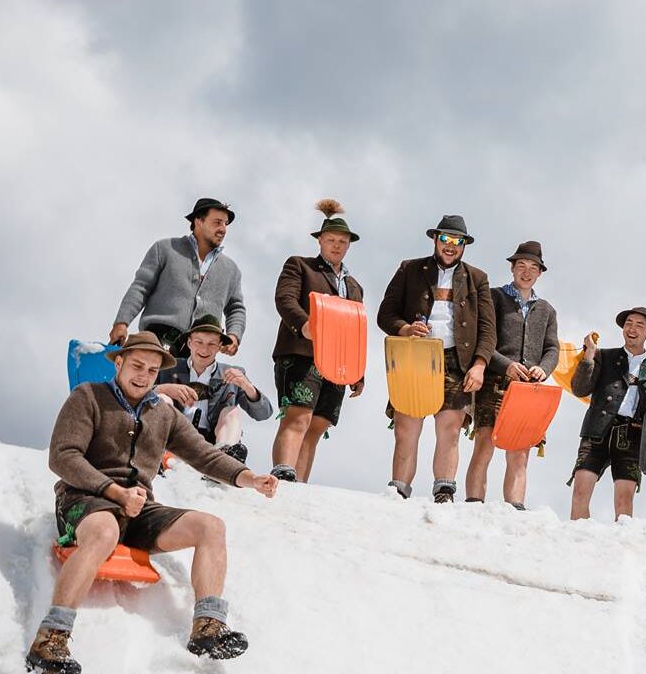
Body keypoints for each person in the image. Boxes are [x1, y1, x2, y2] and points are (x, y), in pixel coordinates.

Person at [30, 332, 278, 674]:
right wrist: (114, 493)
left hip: (138, 509)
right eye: (136, 366)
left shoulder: (163, 413)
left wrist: (248, 478)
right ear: (119, 362)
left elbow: (203, 454)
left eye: (150, 370)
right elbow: (62, 456)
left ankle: (208, 628)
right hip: (84, 499)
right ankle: (51, 639)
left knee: (211, 527)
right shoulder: (88, 397)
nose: (143, 375)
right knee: (103, 532)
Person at [377, 215, 496, 502]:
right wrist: (404, 329)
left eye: (457, 241)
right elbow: (386, 313)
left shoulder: (477, 278)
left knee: (450, 427)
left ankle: (444, 489)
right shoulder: (410, 269)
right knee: (407, 426)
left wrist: (479, 365)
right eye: (445, 239)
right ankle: (399, 489)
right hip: (415, 356)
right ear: (435, 239)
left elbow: (488, 329)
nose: (451, 246)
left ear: (464, 245)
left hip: (457, 359)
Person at [269, 200, 365, 483]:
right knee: (298, 415)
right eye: (331, 240)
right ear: (320, 240)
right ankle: (283, 472)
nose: (336, 245)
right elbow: (284, 299)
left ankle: (300, 482)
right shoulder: (300, 265)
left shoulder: (354, 286)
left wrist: (358, 370)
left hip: (338, 362)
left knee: (319, 422)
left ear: (349, 245)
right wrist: (304, 324)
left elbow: (356, 328)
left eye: (342, 241)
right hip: (301, 352)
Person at [465, 240, 560, 508]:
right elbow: (481, 339)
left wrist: (543, 368)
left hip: (529, 389)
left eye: (533, 267)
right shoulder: (494, 298)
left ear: (540, 272)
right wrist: (505, 364)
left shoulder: (547, 310)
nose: (526, 272)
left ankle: (515, 508)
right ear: (512, 268)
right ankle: (474, 503)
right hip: (495, 381)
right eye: (521, 266)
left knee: (520, 452)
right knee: (485, 443)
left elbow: (552, 347)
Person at [109, 197, 246, 358]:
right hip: (159, 339)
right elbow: (141, 287)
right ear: (198, 221)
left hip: (201, 352)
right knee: (154, 380)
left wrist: (234, 335)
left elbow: (236, 308)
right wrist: (122, 322)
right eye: (217, 222)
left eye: (225, 223)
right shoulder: (165, 249)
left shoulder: (231, 269)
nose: (223, 228)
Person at [568, 307, 646, 521]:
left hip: (633, 434)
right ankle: (578, 542)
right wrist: (589, 357)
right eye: (629, 323)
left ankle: (622, 546)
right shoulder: (605, 356)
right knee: (580, 490)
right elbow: (580, 389)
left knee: (624, 499)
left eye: (639, 325)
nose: (632, 329)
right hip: (598, 429)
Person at [155, 314, 272, 464]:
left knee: (232, 411)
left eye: (211, 344)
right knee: (161, 398)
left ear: (219, 346)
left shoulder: (233, 373)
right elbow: (137, 396)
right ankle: (158, 455)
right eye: (199, 342)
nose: (204, 349)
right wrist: (164, 388)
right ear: (189, 343)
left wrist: (248, 387)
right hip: (172, 439)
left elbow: (264, 414)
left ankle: (224, 459)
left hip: (211, 443)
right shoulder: (168, 367)